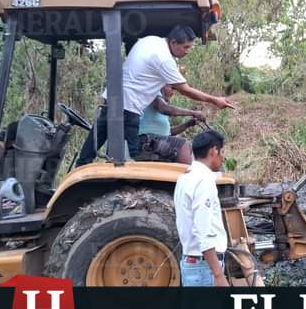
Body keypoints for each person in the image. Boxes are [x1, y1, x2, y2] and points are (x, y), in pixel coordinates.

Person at [76, 25, 235, 167]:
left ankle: (81, 165)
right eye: (185, 47)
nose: (187, 51)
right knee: (133, 157)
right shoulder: (164, 59)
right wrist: (215, 100)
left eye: (189, 47)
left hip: (112, 99)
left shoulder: (150, 41)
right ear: (173, 42)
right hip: (129, 108)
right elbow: (185, 89)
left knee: (96, 141)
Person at [173, 130, 229, 286]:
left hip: (193, 262)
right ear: (214, 151)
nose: (223, 158)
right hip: (204, 267)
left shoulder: (184, 178)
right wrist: (218, 274)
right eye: (222, 152)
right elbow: (203, 231)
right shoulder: (203, 182)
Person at [137, 85, 205, 163]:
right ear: (162, 85)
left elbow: (169, 132)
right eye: (172, 88)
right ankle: (186, 171)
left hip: (153, 140)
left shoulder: (159, 105)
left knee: (187, 146)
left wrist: (188, 124)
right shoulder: (153, 92)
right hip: (145, 139)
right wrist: (193, 113)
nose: (173, 92)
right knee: (183, 146)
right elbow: (165, 108)